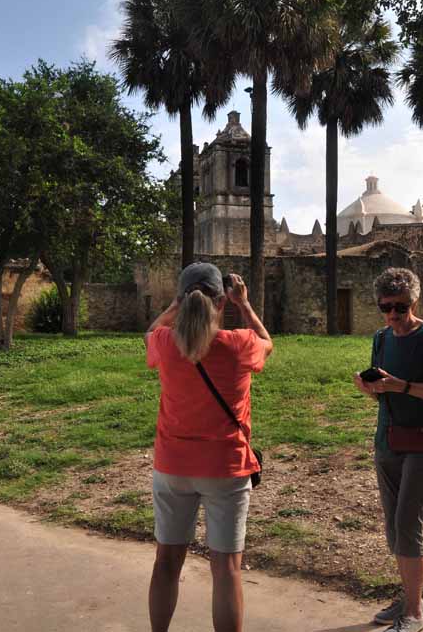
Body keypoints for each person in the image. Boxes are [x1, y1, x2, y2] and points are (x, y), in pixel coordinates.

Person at [144, 263, 272, 632]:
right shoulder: (239, 344)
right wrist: (245, 306)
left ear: (183, 302)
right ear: (221, 301)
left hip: (173, 465)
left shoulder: (167, 344)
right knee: (226, 569)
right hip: (226, 467)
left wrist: (174, 304)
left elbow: (150, 332)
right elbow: (268, 343)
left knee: (167, 562)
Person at [354, 267, 423, 632]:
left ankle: (414, 614)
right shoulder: (381, 338)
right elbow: (384, 389)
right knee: (395, 529)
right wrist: (371, 388)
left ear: (414, 302)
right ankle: (411, 597)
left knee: (409, 525)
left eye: (400, 307)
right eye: (385, 307)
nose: (393, 315)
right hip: (389, 441)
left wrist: (401, 386)